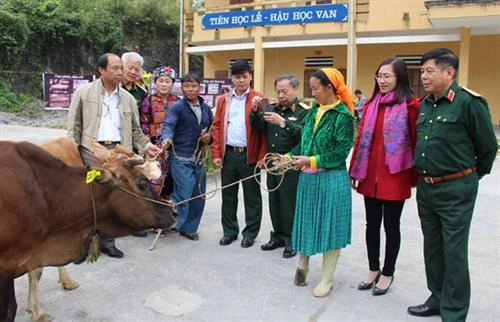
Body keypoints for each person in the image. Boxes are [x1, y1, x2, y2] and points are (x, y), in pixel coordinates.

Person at [407, 48, 498, 321]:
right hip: (427, 188)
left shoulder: (469, 103)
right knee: (432, 247)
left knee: (454, 250)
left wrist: (469, 177)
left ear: (449, 72)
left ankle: (454, 311)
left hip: (456, 189)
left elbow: (488, 147)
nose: (423, 76)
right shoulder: (425, 104)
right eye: (422, 71)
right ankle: (437, 297)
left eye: (429, 71)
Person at [67, 53, 160, 258]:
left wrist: (146, 146)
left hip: (118, 153)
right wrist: (73, 152)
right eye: (116, 68)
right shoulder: (84, 93)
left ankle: (108, 241)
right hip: (91, 152)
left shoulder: (127, 98)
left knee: (114, 195)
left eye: (121, 68)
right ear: (101, 70)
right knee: (89, 195)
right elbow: (73, 126)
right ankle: (86, 239)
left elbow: (136, 130)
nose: (121, 72)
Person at [281, 68, 354, 297]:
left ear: (329, 88)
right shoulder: (313, 111)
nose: (312, 93)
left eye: (315, 88)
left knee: (330, 226)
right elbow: (305, 144)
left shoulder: (343, 117)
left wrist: (310, 160)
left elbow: (340, 152)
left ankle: (326, 278)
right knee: (306, 222)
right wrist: (287, 157)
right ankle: (303, 265)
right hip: (309, 179)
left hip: (331, 179)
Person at [349, 58, 419, 296]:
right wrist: (354, 169)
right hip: (369, 175)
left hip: (394, 175)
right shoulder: (370, 105)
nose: (383, 80)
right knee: (371, 225)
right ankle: (372, 268)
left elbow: (415, 141)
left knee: (391, 226)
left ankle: (388, 272)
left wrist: (415, 176)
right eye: (379, 76)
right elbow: (360, 140)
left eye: (388, 76)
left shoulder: (411, 105)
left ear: (400, 78)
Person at [249, 74, 309, 258]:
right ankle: (277, 236)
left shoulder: (304, 111)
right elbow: (258, 126)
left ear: (295, 90)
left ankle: (292, 238)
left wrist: (283, 122)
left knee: (289, 203)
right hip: (273, 163)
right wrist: (254, 111)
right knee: (274, 201)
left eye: (285, 91)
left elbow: (305, 136)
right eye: (278, 91)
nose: (281, 95)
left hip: (292, 164)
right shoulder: (273, 108)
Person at [211, 60, 267, 248]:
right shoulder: (224, 100)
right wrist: (217, 153)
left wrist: (261, 156)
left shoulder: (259, 98)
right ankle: (230, 231)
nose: (241, 80)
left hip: (249, 155)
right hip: (229, 154)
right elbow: (217, 126)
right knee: (228, 196)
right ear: (232, 79)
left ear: (250, 77)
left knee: (252, 197)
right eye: (237, 77)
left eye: (244, 76)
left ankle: (250, 232)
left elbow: (264, 130)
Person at [161, 72, 213, 241]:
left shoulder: (205, 108)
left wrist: (209, 138)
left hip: (199, 156)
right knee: (184, 191)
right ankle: (171, 221)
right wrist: (167, 138)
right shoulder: (177, 107)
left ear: (200, 88)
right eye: (186, 86)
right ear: (182, 88)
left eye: (193, 86)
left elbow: (213, 128)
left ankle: (189, 228)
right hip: (181, 156)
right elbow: (169, 125)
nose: (190, 89)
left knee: (199, 193)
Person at [140, 66, 179, 202]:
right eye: (161, 81)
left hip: (175, 148)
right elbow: (143, 124)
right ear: (155, 82)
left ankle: (172, 212)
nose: (164, 84)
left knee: (173, 181)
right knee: (155, 180)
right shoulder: (148, 102)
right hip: (155, 149)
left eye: (167, 81)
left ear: (172, 83)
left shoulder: (178, 102)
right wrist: (148, 144)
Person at [121, 51, 149, 237]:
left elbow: (143, 121)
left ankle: (133, 223)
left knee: (133, 185)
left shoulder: (142, 93)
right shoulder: (113, 89)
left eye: (136, 69)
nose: (133, 72)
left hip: (134, 145)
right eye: (130, 68)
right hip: (114, 144)